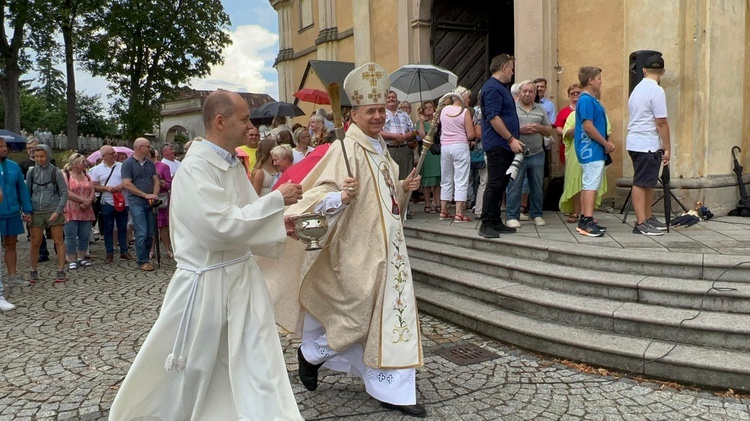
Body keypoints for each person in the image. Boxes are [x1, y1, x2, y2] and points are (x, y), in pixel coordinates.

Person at [109, 90, 304, 421]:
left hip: (240, 279)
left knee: (255, 360)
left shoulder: (229, 164)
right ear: (220, 121)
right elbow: (218, 226)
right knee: (198, 367)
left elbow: (243, 212)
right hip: (208, 282)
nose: (249, 127)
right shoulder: (198, 168)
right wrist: (275, 202)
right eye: (244, 119)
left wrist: (278, 222)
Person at [263, 61, 426, 418]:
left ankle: (394, 388)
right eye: (372, 111)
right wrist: (341, 196)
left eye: (383, 109)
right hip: (355, 250)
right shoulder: (344, 148)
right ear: (353, 113)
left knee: (385, 318)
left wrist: (402, 187)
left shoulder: (380, 147)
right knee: (355, 316)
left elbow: (386, 202)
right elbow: (314, 196)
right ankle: (311, 355)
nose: (380, 116)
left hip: (389, 251)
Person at [478, 54, 523, 238]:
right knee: (495, 183)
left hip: (503, 145)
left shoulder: (499, 88)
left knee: (501, 183)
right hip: (498, 144)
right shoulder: (492, 89)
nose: (512, 72)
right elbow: (493, 117)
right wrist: (511, 139)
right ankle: (486, 223)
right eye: (511, 68)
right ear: (504, 67)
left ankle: (496, 220)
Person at [627, 54, 670, 236]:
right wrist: (667, 147)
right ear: (663, 72)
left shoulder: (637, 88)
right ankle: (641, 222)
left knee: (649, 181)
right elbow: (661, 122)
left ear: (644, 70)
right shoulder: (657, 91)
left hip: (638, 141)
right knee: (641, 182)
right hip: (646, 143)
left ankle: (648, 216)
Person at [505, 80, 553, 228]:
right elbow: (504, 129)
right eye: (524, 91)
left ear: (535, 94)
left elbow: (549, 129)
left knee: (536, 185)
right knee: (514, 185)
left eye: (530, 91)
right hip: (517, 153)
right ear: (519, 93)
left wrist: (539, 128)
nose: (527, 94)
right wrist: (520, 130)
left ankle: (537, 214)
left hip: (537, 153)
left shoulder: (540, 109)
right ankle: (512, 216)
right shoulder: (511, 108)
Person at [574, 66, 614, 237]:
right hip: (591, 149)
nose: (601, 81)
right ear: (590, 80)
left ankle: (585, 218)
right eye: (598, 78)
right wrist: (605, 143)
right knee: (591, 184)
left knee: (589, 183)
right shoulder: (586, 100)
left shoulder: (590, 100)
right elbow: (588, 127)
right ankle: (587, 221)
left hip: (592, 149)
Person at [27, 144, 68, 283]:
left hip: (53, 209)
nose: (39, 159)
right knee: (35, 241)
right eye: (37, 156)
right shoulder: (31, 172)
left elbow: (64, 193)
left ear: (48, 156)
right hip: (36, 210)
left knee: (58, 240)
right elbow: (27, 193)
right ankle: (33, 270)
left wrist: (58, 211)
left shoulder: (56, 172)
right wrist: (27, 211)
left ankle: (61, 270)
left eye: (42, 156)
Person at [121, 137, 160, 271]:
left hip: (150, 202)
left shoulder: (150, 163)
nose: (150, 149)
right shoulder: (128, 163)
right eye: (147, 146)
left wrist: (154, 194)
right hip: (136, 201)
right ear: (138, 148)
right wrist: (144, 195)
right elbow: (127, 184)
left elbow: (156, 180)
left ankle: (146, 257)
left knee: (150, 233)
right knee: (142, 232)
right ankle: (142, 260)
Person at [438, 87, 475, 222]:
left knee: (446, 178)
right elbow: (471, 134)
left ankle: (443, 210)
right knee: (461, 179)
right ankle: (459, 212)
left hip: (445, 146)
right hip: (459, 145)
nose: (469, 100)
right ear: (462, 97)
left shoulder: (444, 110)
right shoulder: (464, 111)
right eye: (468, 97)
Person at [91, 145, 132, 263]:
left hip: (122, 201)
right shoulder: (96, 169)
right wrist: (106, 188)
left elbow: (129, 180)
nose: (115, 154)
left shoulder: (122, 166)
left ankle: (124, 250)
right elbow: (93, 186)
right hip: (107, 202)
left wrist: (122, 185)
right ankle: (109, 252)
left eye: (114, 152)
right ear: (104, 156)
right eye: (111, 153)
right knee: (108, 228)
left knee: (122, 226)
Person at [62, 153, 95, 270]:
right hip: (71, 209)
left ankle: (81, 257)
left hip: (86, 209)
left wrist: (88, 201)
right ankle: (71, 259)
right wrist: (82, 200)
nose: (85, 164)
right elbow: (66, 192)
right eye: (83, 162)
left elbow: (92, 189)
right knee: (71, 236)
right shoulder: (65, 175)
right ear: (75, 164)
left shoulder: (87, 175)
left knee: (84, 235)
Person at [416, 100, 440, 213]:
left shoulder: (437, 121)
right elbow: (421, 136)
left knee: (437, 180)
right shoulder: (419, 123)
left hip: (437, 152)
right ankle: (427, 203)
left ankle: (438, 203)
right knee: (427, 180)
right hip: (426, 152)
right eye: (426, 108)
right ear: (423, 110)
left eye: (431, 107)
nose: (429, 109)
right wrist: (421, 122)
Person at [151, 148, 174, 258]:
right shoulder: (144, 166)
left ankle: (167, 249)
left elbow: (169, 184)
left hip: (162, 198)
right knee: (151, 225)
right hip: (148, 198)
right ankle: (151, 250)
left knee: (163, 225)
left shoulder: (163, 167)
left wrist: (161, 183)